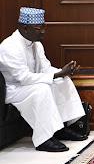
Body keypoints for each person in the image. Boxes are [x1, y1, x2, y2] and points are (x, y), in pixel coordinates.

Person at [0, 8, 87, 152]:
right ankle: (43, 139)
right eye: (38, 28)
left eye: (44, 27)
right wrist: (56, 75)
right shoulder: (9, 47)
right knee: (42, 88)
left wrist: (62, 72)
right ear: (24, 27)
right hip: (13, 89)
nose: (43, 31)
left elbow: (45, 68)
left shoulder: (36, 44)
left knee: (62, 81)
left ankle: (60, 128)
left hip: (29, 85)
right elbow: (23, 78)